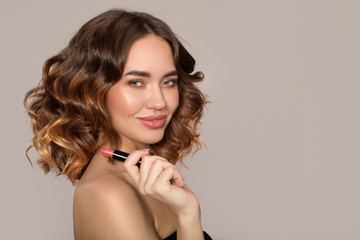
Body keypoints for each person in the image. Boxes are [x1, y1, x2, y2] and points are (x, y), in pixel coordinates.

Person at [24, 9, 211, 240]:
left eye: (168, 82)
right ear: (94, 91)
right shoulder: (107, 194)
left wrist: (188, 212)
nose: (159, 102)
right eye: (136, 82)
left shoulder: (145, 176)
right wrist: (189, 214)